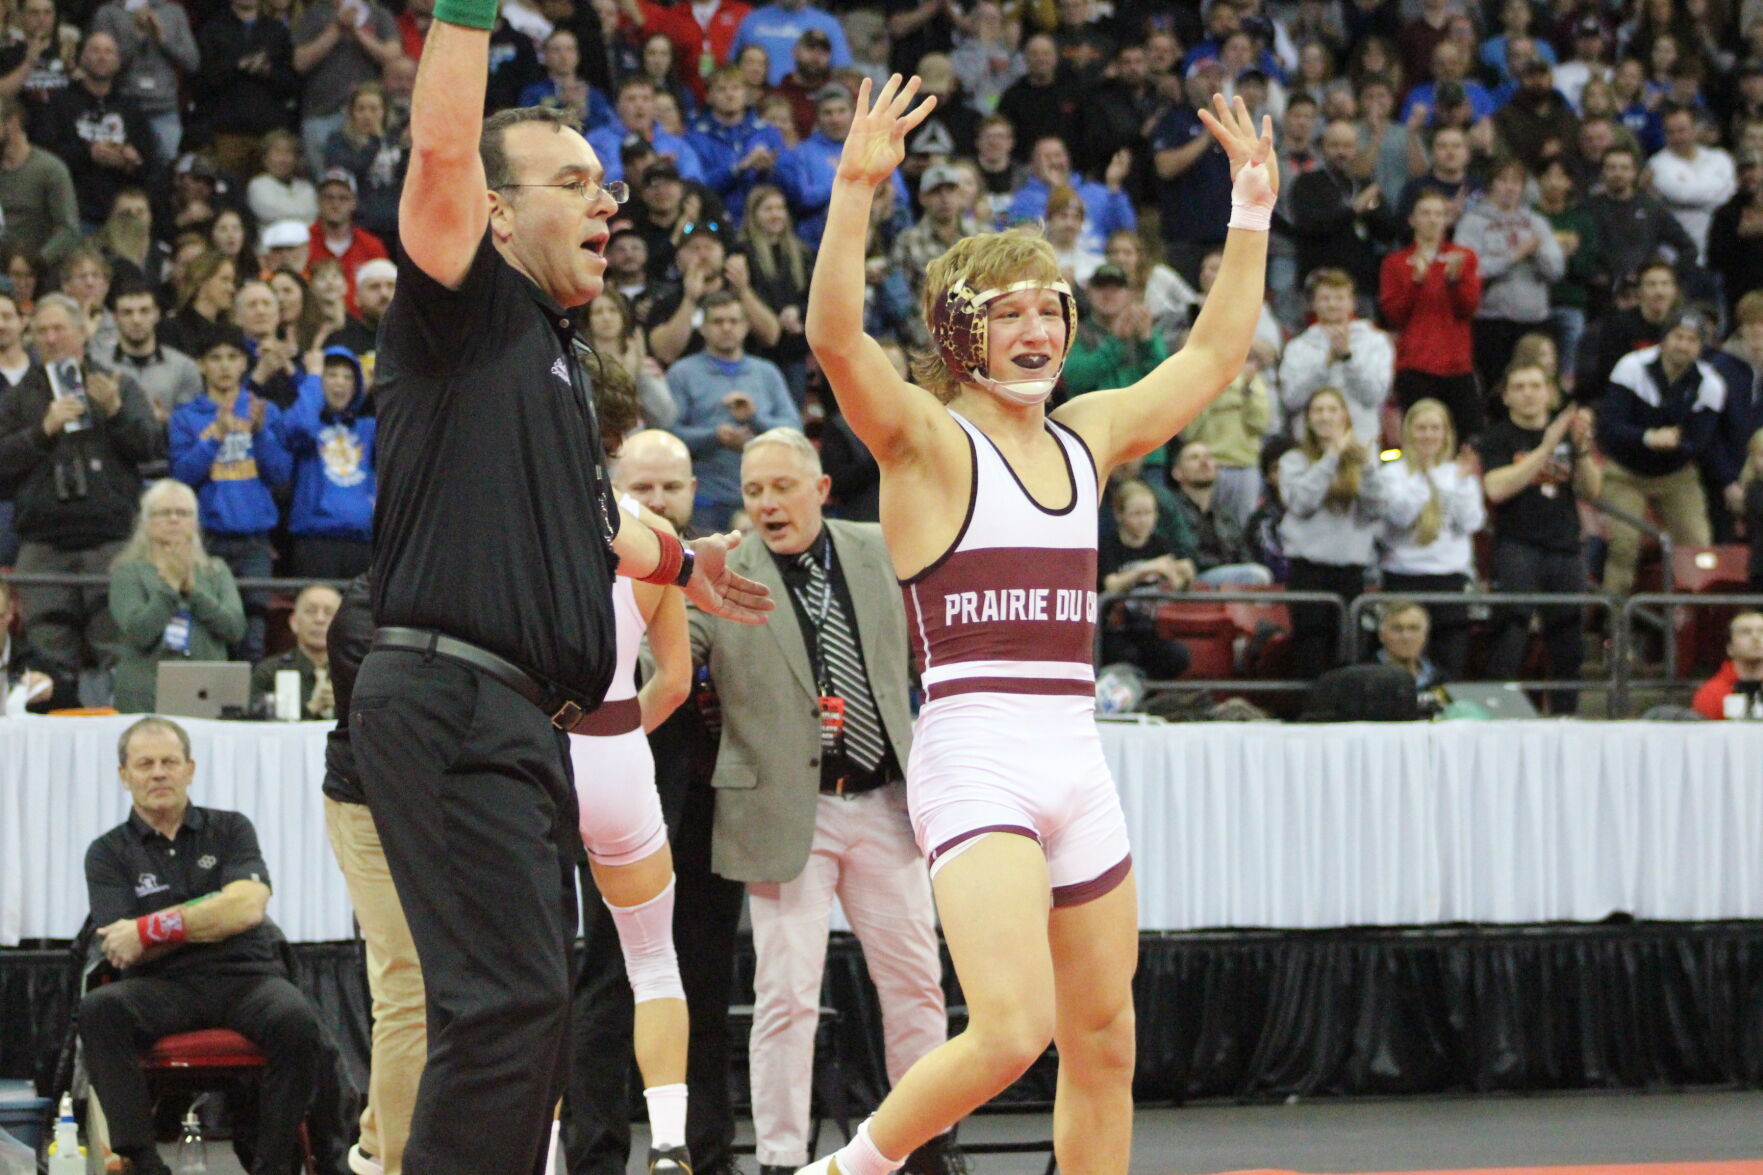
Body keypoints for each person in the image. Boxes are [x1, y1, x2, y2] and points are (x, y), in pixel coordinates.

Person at [803, 76, 1275, 1175]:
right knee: (1011, 1027)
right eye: (1008, 310)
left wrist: (1248, 211)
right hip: (975, 755)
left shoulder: (1086, 436)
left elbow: (1209, 360)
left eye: (1048, 308)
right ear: (958, 330)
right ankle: (844, 1171)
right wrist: (854, 191)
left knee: (1103, 1038)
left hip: (1073, 753)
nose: (1036, 328)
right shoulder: (922, 438)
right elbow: (833, 338)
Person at [353, 8, 769, 1166]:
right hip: (449, 702)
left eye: (607, 184)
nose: (608, 202)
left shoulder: (549, 358)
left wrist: (691, 566)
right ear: (492, 212)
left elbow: (606, 526)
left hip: (517, 718)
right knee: (501, 1008)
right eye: (575, 181)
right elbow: (439, 152)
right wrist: (468, 13)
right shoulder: (462, 304)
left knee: (531, 1007)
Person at [689, 427, 955, 1175]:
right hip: (784, 809)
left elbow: (926, 646)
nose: (767, 503)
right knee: (785, 996)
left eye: (780, 486)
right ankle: (779, 1159)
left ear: (820, 489)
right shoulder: (721, 569)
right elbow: (667, 655)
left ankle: (925, 1144)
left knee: (913, 983)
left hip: (882, 800)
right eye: (752, 491)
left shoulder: (877, 547)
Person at [79, 716, 327, 1175]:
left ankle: (273, 1166)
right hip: (161, 988)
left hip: (246, 981)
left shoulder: (231, 829)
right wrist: (214, 915)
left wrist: (152, 928)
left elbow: (248, 909)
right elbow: (123, 948)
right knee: (99, 1010)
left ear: (190, 769)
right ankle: (144, 1162)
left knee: (298, 1021)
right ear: (124, 775)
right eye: (145, 763)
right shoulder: (107, 852)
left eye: (170, 761)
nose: (158, 773)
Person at [564, 459, 697, 1173]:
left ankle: (545, 1153)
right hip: (616, 753)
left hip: (537, 755)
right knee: (652, 960)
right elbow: (673, 681)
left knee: (536, 969)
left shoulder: (529, 517)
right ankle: (670, 1142)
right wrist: (614, 742)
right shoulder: (656, 535)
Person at [0, 292, 160, 708]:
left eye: (59, 329)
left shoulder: (117, 384)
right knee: (48, 652)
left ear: (82, 333)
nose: (51, 338)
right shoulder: (17, 397)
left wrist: (117, 410)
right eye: (42, 330)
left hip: (111, 539)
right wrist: (42, 430)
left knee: (117, 648)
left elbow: (151, 448)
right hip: (43, 544)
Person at [1476, 362, 1600, 713]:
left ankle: (1565, 718)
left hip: (1565, 546)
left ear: (1549, 393)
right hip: (1518, 545)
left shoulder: (1567, 435)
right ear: (1507, 396)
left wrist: (1581, 449)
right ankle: (1497, 717)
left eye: (1535, 386)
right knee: (1509, 636)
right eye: (1520, 387)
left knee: (1568, 643)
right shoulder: (1497, 437)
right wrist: (1546, 448)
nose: (1528, 393)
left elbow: (1592, 492)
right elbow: (1497, 489)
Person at [167, 325, 294, 665]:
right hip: (206, 540)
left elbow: (280, 475)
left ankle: (248, 710)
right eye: (215, 358)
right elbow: (181, 478)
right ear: (201, 365)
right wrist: (214, 438)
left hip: (255, 541)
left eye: (233, 358)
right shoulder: (186, 417)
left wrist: (260, 432)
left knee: (253, 633)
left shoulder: (263, 412)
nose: (224, 366)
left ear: (244, 364)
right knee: (208, 631)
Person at [107, 479, 246, 713]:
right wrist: (169, 588)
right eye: (164, 513)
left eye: (183, 513)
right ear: (147, 522)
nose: (174, 519)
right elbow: (138, 632)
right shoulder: (128, 571)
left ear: (194, 522)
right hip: (144, 692)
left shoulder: (215, 570)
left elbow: (234, 629)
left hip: (207, 689)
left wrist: (193, 592)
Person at [665, 289, 799, 529]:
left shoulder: (767, 373)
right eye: (717, 321)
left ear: (746, 326)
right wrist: (715, 436)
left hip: (763, 500)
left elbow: (794, 430)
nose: (726, 327)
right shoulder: (682, 373)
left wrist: (755, 418)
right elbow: (669, 436)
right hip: (705, 502)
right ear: (702, 328)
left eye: (733, 321)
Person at [1278, 386, 1388, 677]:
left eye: (1332, 410)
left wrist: (1365, 466)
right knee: (1310, 649)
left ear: (1344, 416)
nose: (1325, 417)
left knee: (1350, 649)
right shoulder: (1293, 460)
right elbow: (1301, 502)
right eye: (1318, 410)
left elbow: (1376, 508)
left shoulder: (1362, 458)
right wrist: (1330, 458)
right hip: (1308, 570)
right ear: (1308, 419)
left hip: (1350, 570)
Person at [1378, 398, 1483, 680]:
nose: (1428, 435)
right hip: (1404, 576)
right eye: (1421, 428)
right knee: (1400, 664)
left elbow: (1471, 522)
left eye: (1435, 428)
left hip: (1449, 579)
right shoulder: (1392, 473)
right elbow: (1400, 516)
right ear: (1408, 432)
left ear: (1446, 433)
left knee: (1450, 662)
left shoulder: (1458, 473)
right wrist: (1424, 478)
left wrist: (1459, 484)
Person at [1454, 158, 1566, 393]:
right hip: (1491, 320)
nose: (1510, 187)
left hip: (1534, 319)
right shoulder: (1473, 223)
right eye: (1503, 181)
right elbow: (1469, 270)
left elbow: (1556, 271)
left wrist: (1537, 254)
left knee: (1538, 387)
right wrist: (1513, 257)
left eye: (1516, 182)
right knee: (1497, 389)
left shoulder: (1537, 222)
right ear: (1491, 185)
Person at [1380, 190, 1482, 441]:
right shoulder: (1396, 263)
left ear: (1447, 220)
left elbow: (1469, 308)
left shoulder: (1463, 258)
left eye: (1439, 214)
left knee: (1467, 438)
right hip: (1415, 365)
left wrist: (1454, 281)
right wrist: (1416, 282)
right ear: (1412, 220)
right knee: (1419, 437)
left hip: (1457, 365)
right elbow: (1394, 315)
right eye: (1425, 213)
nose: (1433, 220)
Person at [279, 345, 376, 576]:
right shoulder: (304, 422)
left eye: (348, 377)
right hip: (316, 541)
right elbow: (300, 426)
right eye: (331, 374)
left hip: (362, 542)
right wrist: (312, 375)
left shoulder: (369, 428)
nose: (340, 382)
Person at [1278, 268, 1393, 446]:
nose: (1332, 304)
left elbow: (1376, 395)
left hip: (1360, 443)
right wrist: (1325, 364)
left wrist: (1348, 359)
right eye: (1325, 299)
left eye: (1339, 298)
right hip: (1312, 447)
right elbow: (1291, 399)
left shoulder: (1374, 342)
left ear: (1352, 303)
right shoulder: (1298, 347)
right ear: (1313, 304)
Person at [1097, 477, 1195, 682]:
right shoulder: (1108, 545)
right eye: (1136, 514)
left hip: (1149, 629)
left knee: (1178, 655)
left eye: (1149, 513)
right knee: (1125, 656)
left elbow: (1177, 585)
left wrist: (1186, 574)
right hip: (1112, 631)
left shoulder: (1159, 544)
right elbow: (1111, 584)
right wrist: (1145, 569)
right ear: (1119, 515)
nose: (1144, 520)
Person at [1168, 441, 1274, 585]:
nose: (1204, 462)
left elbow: (1243, 552)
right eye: (1194, 458)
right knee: (1256, 575)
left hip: (1227, 578)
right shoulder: (1171, 509)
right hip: (1190, 579)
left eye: (1209, 457)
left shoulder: (1224, 512)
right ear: (1177, 473)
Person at [0, 93, 82, 269]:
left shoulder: (49, 170)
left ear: (12, 123)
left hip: (34, 268)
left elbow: (69, 230)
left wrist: (37, 261)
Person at [108, 282, 203, 427]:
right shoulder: (100, 364)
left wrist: (167, 421)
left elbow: (195, 425)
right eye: (127, 313)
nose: (136, 320)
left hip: (166, 447)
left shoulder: (184, 367)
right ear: (115, 318)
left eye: (144, 311)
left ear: (157, 314)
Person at [251, 581, 343, 717]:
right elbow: (254, 722)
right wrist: (311, 708)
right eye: (310, 611)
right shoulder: (269, 672)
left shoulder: (353, 673)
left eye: (329, 613)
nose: (319, 619)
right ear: (294, 622)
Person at [1691, 609, 1763, 719]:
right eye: (1746, 632)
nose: (1756, 638)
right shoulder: (1711, 693)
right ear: (1730, 648)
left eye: (1762, 631)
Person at [1373, 597, 1445, 695]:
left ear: (1425, 635)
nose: (1406, 637)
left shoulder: (1442, 680)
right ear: (1381, 635)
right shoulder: (1362, 678)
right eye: (1397, 629)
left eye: (1413, 629)